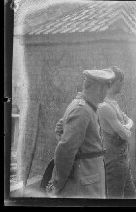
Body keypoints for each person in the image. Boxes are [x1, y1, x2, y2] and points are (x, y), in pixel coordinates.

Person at [49, 69, 115, 198]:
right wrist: (57, 183)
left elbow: (59, 128)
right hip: (86, 181)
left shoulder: (85, 106)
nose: (106, 94)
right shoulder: (82, 110)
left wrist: (75, 146)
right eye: (106, 90)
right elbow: (66, 149)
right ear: (99, 89)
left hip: (88, 175)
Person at [97, 66, 136, 199]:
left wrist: (126, 126)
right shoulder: (104, 107)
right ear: (116, 82)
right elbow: (125, 135)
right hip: (113, 161)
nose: (123, 86)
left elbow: (130, 121)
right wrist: (127, 127)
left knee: (131, 195)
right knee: (115, 199)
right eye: (122, 82)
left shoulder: (113, 103)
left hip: (123, 159)